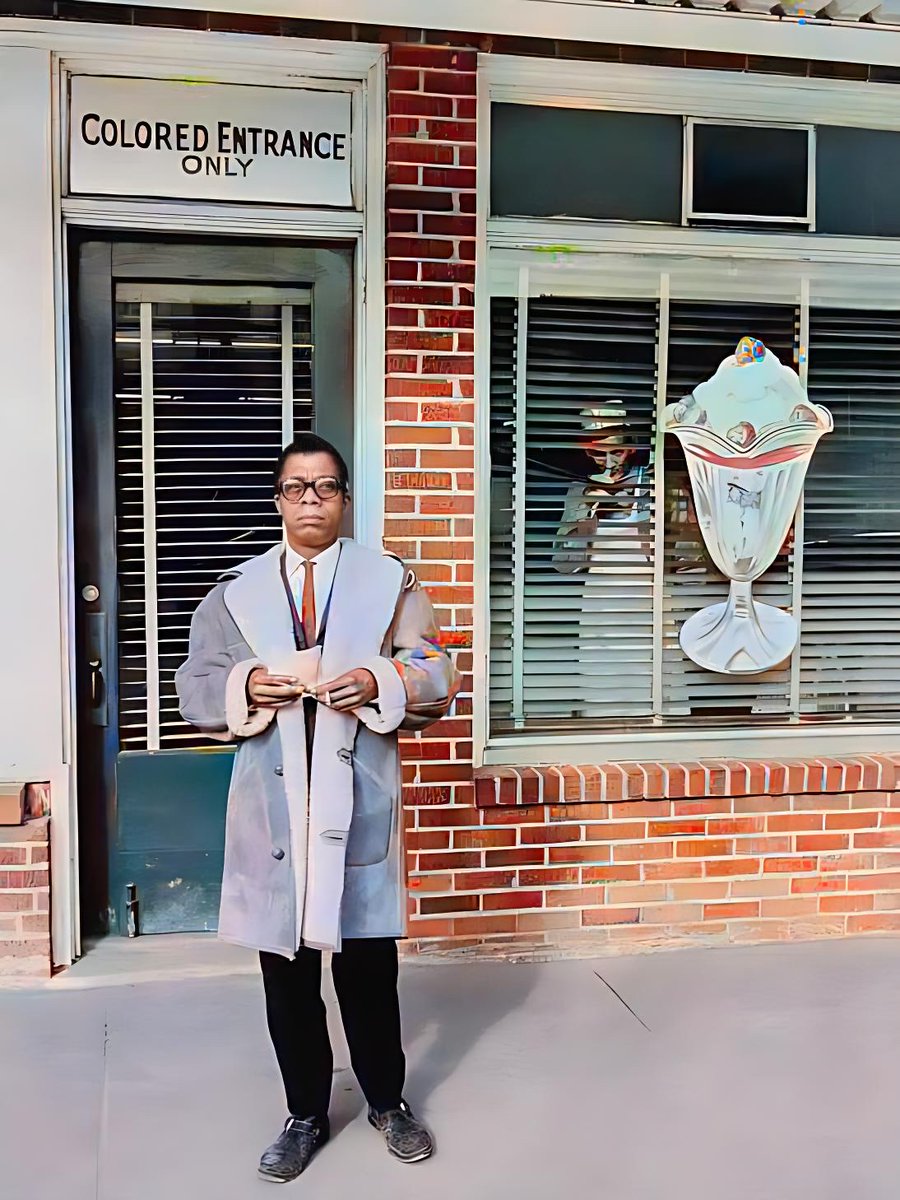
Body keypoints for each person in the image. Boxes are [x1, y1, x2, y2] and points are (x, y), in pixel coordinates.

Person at [175, 432, 460, 1184]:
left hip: (356, 798)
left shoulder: (390, 582)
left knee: (368, 968)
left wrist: (378, 680)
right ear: (278, 500)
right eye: (297, 487)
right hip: (273, 809)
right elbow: (194, 682)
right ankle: (304, 1113)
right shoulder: (235, 592)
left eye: (326, 487)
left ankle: (388, 1101)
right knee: (288, 974)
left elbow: (435, 667)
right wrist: (244, 684)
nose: (311, 500)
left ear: (344, 499)